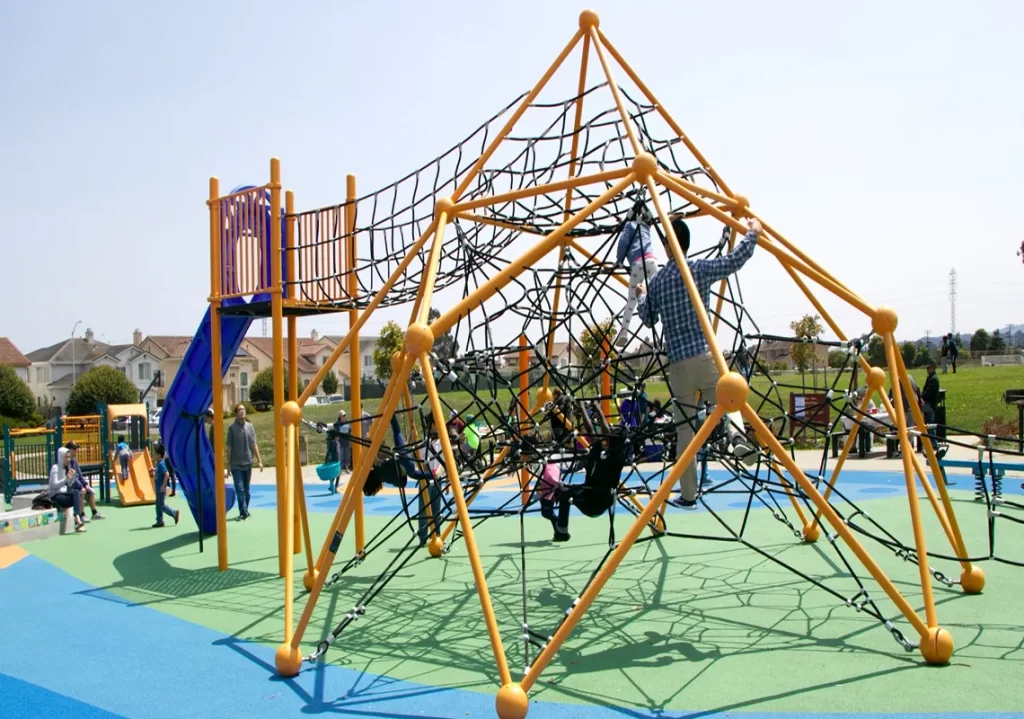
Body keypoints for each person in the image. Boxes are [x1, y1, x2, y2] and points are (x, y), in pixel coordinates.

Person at [637, 217, 761, 508]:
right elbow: (734, 261)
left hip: (678, 365)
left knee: (685, 432)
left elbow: (647, 318)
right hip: (705, 356)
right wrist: (751, 233)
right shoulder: (698, 269)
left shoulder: (659, 280)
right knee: (731, 400)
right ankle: (737, 437)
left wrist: (642, 294)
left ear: (669, 245)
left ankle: (689, 494)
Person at [534, 400, 627, 542]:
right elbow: (602, 430)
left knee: (564, 493)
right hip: (597, 496)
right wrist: (596, 408)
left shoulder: (607, 456)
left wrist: (584, 408)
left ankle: (562, 531)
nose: (608, 431)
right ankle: (559, 527)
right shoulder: (614, 456)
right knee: (564, 490)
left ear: (611, 441)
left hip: (594, 503)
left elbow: (596, 431)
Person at [614, 218, 659, 347]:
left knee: (631, 301)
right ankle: (660, 316)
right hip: (652, 262)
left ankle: (624, 332)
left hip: (638, 264)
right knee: (658, 292)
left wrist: (619, 260)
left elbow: (623, 243)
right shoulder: (645, 226)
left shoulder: (629, 226)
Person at [225, 403, 263, 521]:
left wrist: (259, 461)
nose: (242, 412)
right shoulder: (232, 428)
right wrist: (229, 465)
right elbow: (229, 448)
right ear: (236, 413)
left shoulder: (250, 427)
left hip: (247, 463)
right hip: (236, 465)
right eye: (240, 410)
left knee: (247, 491)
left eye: (243, 410)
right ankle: (243, 512)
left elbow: (253, 444)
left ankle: (245, 509)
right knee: (240, 489)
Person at [48, 447, 86, 533]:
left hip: (63, 495)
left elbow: (69, 484)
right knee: (75, 494)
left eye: (69, 457)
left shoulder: (66, 468)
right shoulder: (55, 468)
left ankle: (77, 518)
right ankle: (78, 520)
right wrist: (66, 478)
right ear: (61, 457)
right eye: (66, 457)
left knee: (77, 492)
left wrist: (72, 477)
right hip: (55, 496)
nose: (68, 459)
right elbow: (54, 485)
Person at [65, 441, 105, 522]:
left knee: (90, 492)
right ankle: (81, 514)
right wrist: (81, 486)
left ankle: (94, 513)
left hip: (77, 484)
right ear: (69, 450)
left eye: (76, 448)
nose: (76, 450)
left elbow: (79, 475)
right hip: (69, 485)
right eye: (74, 448)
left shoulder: (75, 461)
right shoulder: (66, 462)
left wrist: (86, 484)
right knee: (82, 491)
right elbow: (72, 478)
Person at [148, 442, 180, 528]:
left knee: (161, 505)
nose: (154, 455)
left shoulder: (161, 464)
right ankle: (159, 521)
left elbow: (166, 474)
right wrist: (153, 470)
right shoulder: (158, 464)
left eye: (155, 454)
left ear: (159, 455)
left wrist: (163, 485)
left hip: (161, 489)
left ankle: (174, 513)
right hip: (158, 488)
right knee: (158, 506)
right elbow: (160, 472)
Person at [920, 362, 940, 451]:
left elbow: (928, 392)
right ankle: (932, 443)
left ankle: (934, 443)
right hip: (930, 404)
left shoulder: (933, 379)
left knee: (929, 425)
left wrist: (921, 397)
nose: (927, 370)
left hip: (929, 404)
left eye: (928, 368)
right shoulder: (931, 377)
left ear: (933, 368)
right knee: (929, 424)